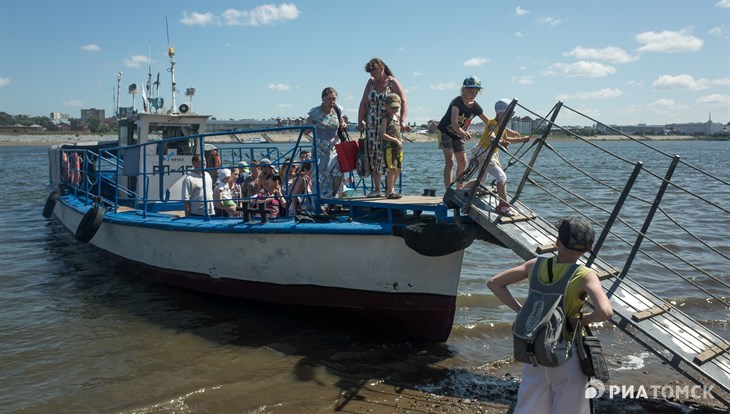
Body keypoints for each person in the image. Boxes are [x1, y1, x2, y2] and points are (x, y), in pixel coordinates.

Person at [487, 216, 613, 414]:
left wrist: (522, 311)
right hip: (567, 355)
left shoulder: (535, 265)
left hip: (535, 351)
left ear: (557, 242)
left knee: (528, 408)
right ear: (589, 248)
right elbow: (605, 312)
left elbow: (494, 283)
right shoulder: (585, 275)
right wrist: (581, 320)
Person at [465, 98, 529, 216]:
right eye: (510, 114)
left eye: (513, 114)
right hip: (484, 154)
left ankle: (462, 190)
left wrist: (523, 140)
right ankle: (503, 206)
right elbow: (491, 134)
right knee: (501, 177)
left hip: (488, 154)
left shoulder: (502, 126)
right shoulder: (493, 123)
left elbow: (506, 140)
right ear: (501, 113)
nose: (512, 116)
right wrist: (497, 140)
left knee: (482, 180)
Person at [357, 57, 408, 197]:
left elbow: (403, 101)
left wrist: (402, 120)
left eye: (374, 72)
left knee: (391, 156)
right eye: (370, 73)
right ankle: (377, 189)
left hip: (390, 125)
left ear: (381, 68)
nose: (372, 75)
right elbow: (363, 103)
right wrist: (360, 121)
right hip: (372, 126)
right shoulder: (371, 82)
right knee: (374, 156)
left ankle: (390, 189)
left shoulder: (392, 82)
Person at [437, 76, 491, 190]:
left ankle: (459, 189)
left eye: (476, 93)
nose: (473, 95)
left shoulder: (475, 106)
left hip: (458, 135)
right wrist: (463, 133)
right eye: (471, 92)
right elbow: (454, 123)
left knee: (462, 161)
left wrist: (502, 130)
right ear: (463, 89)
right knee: (450, 161)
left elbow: (489, 122)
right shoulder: (456, 102)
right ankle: (448, 190)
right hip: (445, 131)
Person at [305, 87, 345, 199]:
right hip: (321, 148)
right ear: (323, 98)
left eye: (334, 99)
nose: (332, 102)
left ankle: (333, 197)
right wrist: (310, 126)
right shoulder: (316, 112)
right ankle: (320, 200)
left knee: (338, 172)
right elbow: (306, 131)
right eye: (329, 99)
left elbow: (341, 122)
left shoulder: (337, 109)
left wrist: (344, 124)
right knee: (322, 175)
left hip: (336, 147)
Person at [379, 93, 404, 199]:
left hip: (398, 148)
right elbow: (382, 134)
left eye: (397, 107)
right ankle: (389, 192)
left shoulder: (396, 117)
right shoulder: (385, 118)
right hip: (389, 147)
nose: (395, 110)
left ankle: (392, 188)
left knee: (398, 168)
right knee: (391, 168)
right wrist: (395, 140)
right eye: (393, 107)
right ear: (386, 106)